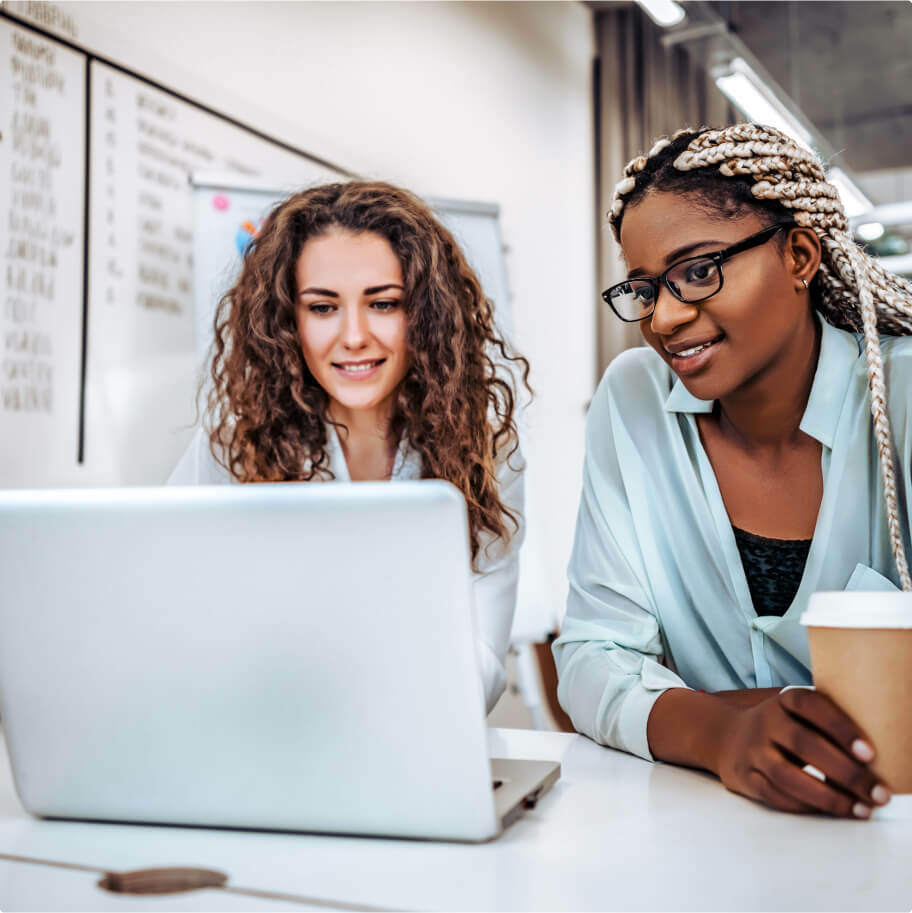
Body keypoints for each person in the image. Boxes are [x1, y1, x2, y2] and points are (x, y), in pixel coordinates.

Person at [554, 123, 912, 817]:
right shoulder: (633, 401)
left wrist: (680, 705)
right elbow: (592, 654)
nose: (665, 316)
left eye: (698, 270)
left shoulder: (902, 399)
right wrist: (720, 734)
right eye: (644, 288)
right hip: (703, 828)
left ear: (800, 254)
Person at [170, 180, 530, 714]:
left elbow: (479, 665)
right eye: (322, 308)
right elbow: (171, 618)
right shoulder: (233, 444)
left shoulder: (487, 452)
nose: (355, 335)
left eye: (383, 303)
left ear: (426, 314)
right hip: (257, 736)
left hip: (417, 740)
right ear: (287, 321)